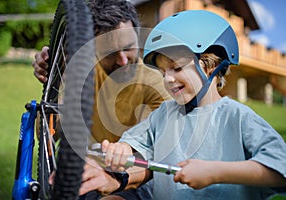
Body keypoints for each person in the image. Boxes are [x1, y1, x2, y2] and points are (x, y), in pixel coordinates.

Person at [101, 10, 286, 199]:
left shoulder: (237, 117)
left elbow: (281, 168)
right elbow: (134, 142)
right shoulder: (163, 114)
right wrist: (122, 148)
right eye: (163, 72)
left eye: (177, 68)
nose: (169, 79)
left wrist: (215, 173)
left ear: (210, 65)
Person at [33, 0, 171, 199]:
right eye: (110, 53)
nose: (123, 60)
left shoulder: (156, 86)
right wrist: (57, 76)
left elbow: (155, 157)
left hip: (135, 179)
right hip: (84, 174)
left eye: (129, 47)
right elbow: (46, 135)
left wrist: (114, 178)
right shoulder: (85, 73)